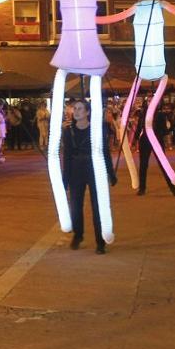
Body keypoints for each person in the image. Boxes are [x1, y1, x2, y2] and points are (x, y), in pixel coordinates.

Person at [61, 99, 116, 254]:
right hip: (76, 171)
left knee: (97, 206)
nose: (76, 111)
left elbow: (105, 152)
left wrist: (111, 173)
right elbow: (67, 156)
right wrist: (65, 180)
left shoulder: (96, 130)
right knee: (75, 206)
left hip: (94, 170)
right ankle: (78, 235)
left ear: (87, 112)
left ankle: (100, 241)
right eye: (74, 109)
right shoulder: (68, 131)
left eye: (80, 109)